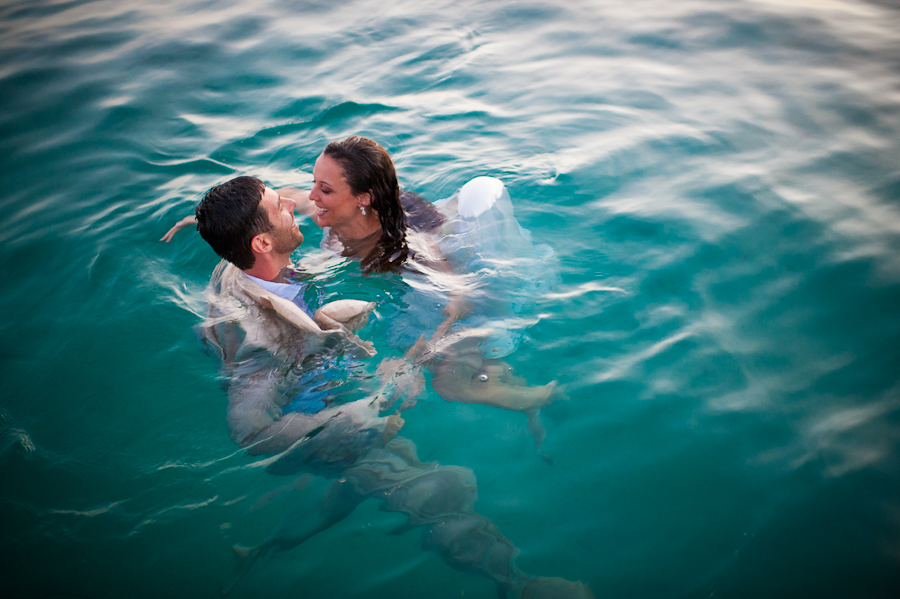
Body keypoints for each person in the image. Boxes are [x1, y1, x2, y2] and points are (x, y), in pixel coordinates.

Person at [189, 175, 593, 598]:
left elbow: (236, 237)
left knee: (365, 480)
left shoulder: (246, 263)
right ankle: (517, 585)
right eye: (279, 207)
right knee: (432, 492)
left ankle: (260, 551)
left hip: (333, 395)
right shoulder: (256, 334)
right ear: (261, 244)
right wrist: (348, 417)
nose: (293, 202)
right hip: (327, 424)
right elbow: (248, 429)